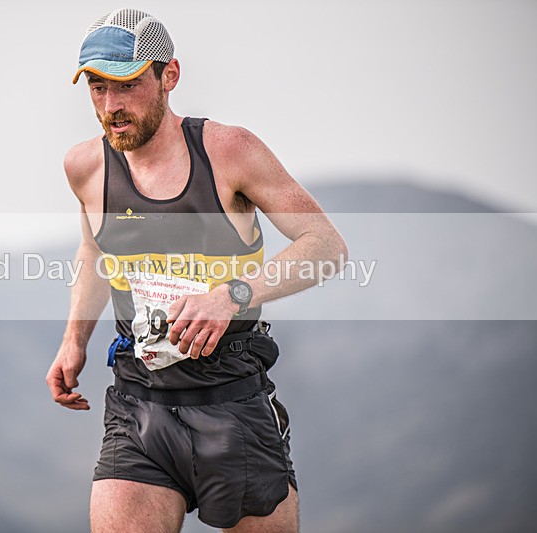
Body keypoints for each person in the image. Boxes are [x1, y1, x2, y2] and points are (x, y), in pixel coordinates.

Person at [46, 8, 347, 533]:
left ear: (169, 76)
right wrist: (75, 340)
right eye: (97, 88)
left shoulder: (229, 151)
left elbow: (325, 245)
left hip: (233, 402)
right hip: (139, 405)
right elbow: (95, 250)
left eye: (127, 85)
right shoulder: (85, 166)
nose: (111, 106)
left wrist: (232, 293)